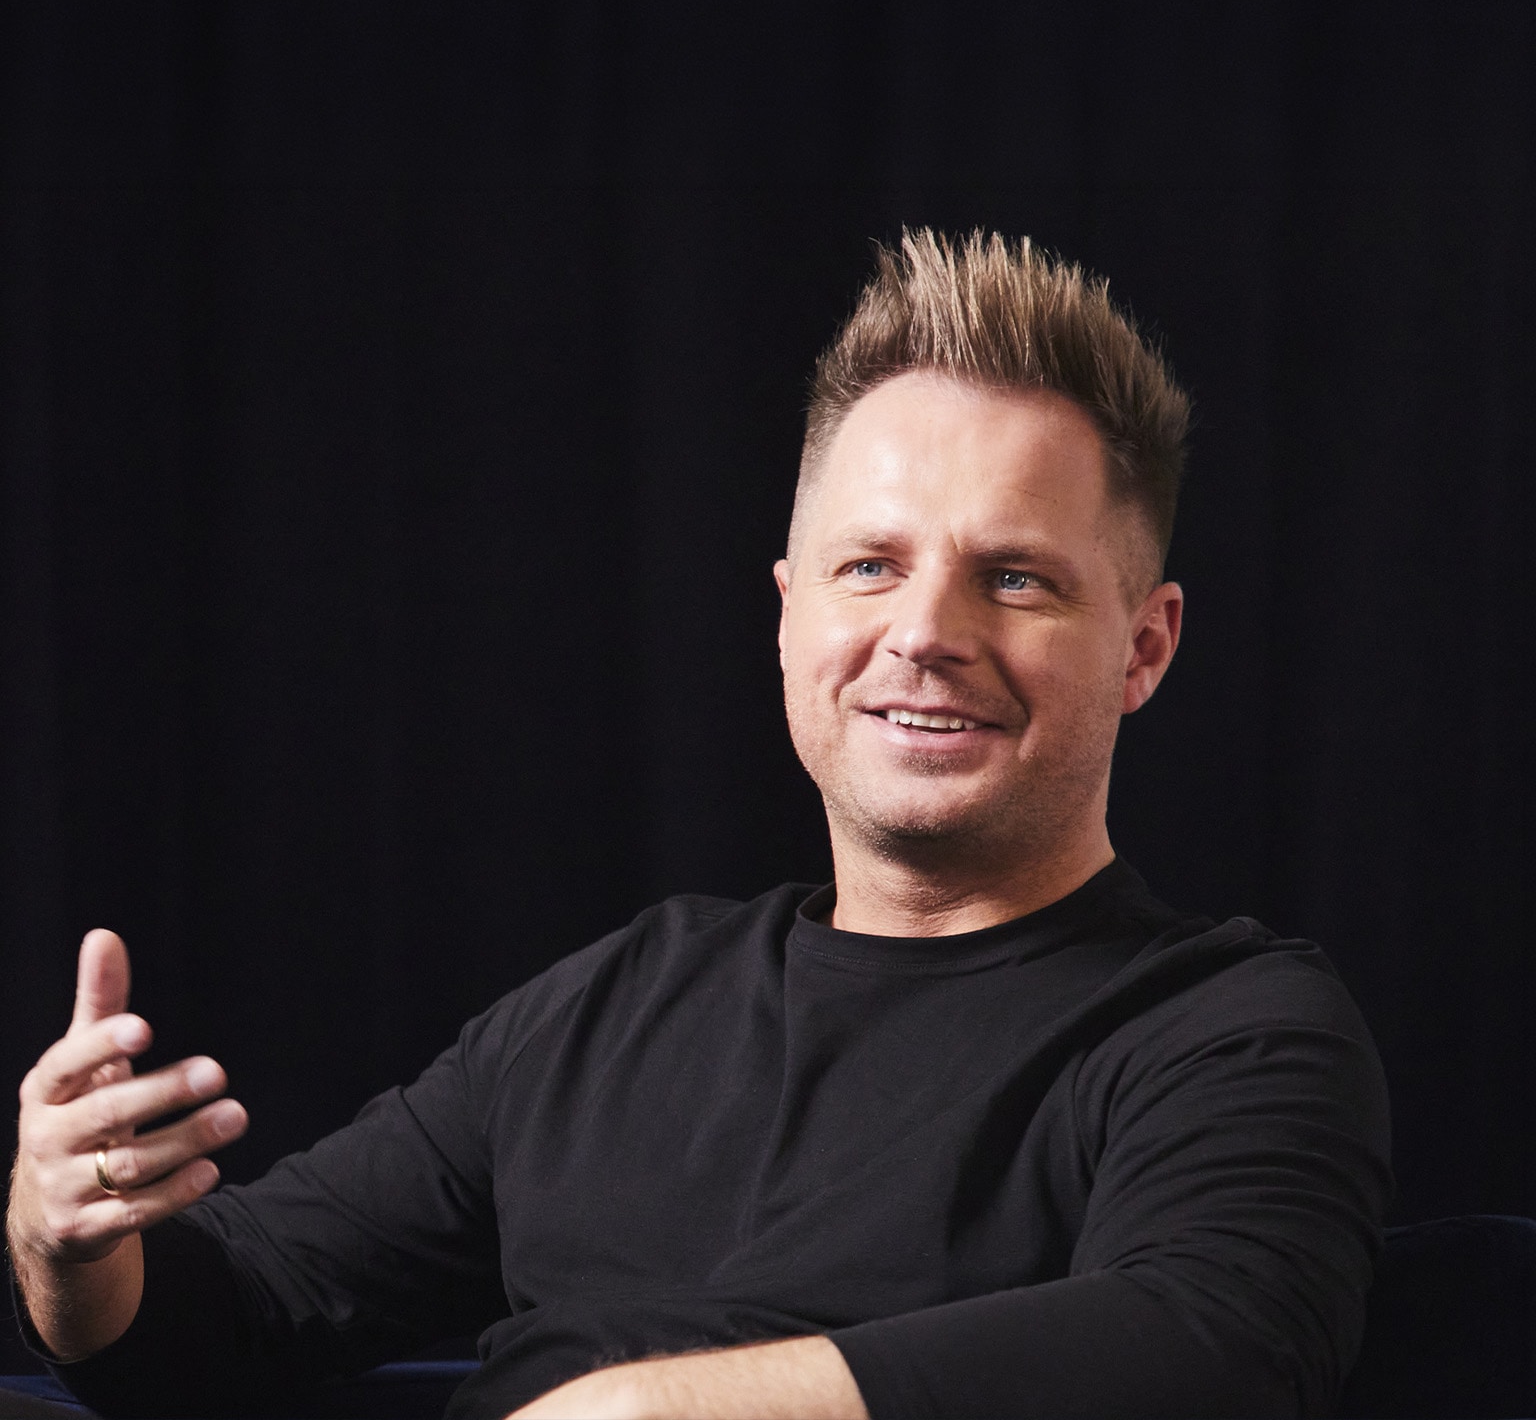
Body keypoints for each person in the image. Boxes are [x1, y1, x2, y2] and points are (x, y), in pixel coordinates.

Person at [7, 229, 1392, 1420]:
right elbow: (227, 1323)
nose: (923, 633)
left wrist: (643, 1406)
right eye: (871, 566)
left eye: (1015, 579)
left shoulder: (1230, 1027)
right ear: (792, 611)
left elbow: (1219, 1350)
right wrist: (73, 1247)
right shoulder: (616, 1007)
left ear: (1145, 648)